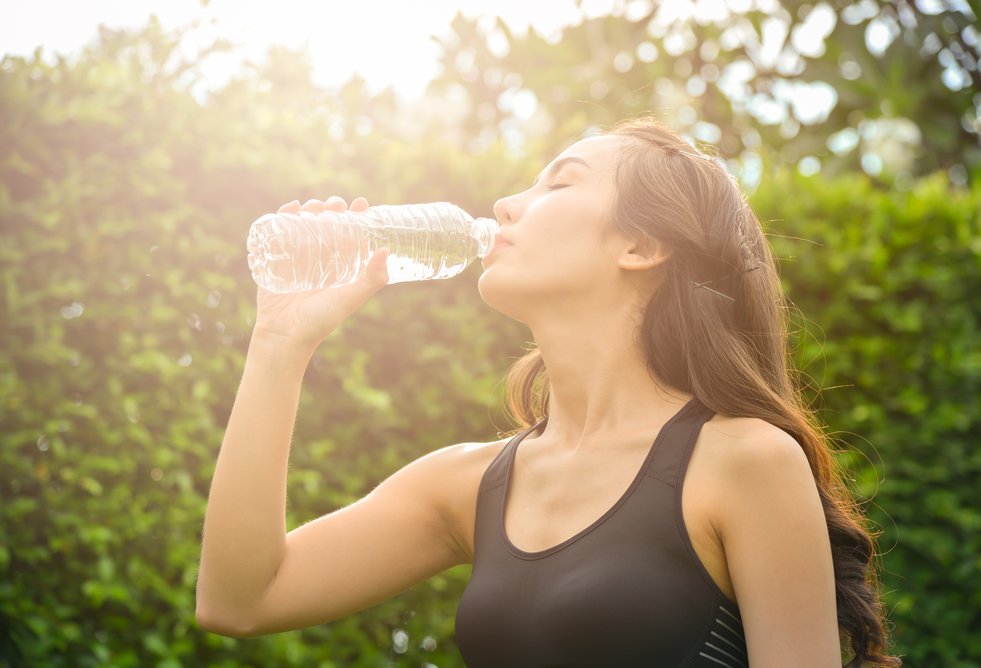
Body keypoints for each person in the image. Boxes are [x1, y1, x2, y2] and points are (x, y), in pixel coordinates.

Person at [196, 117, 900, 667]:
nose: (505, 203)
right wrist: (278, 346)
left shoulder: (746, 461)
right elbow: (241, 597)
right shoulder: (469, 485)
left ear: (641, 246)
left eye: (558, 184)